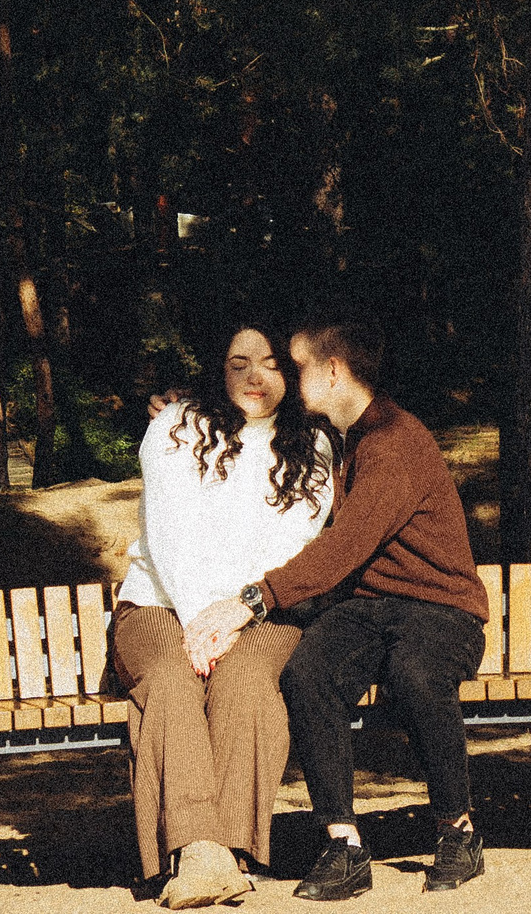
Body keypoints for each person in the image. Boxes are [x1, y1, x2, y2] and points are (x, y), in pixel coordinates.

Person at [179, 317, 489, 900]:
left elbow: (342, 547)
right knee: (308, 674)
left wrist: (253, 600)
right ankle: (342, 843)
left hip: (442, 610)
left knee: (415, 674)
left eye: (297, 369)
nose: (291, 381)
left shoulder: (396, 441)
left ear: (333, 370)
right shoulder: (346, 437)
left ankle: (458, 829)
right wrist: (177, 410)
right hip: (369, 608)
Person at [110, 326, 334, 908]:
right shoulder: (174, 428)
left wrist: (232, 616)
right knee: (169, 681)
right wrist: (198, 620)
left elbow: (296, 545)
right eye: (239, 364)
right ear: (218, 369)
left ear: (292, 371)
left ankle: (231, 854)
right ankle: (198, 850)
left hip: (261, 611)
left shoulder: (314, 447)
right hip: (160, 603)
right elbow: (167, 536)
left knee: (248, 683)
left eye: (269, 364)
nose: (255, 378)